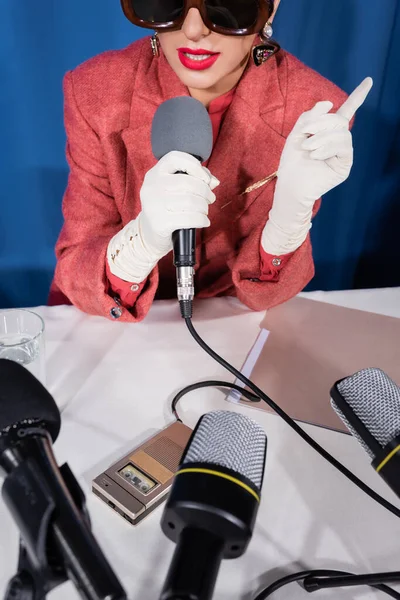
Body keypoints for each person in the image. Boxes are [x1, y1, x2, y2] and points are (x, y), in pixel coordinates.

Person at [49, 0, 372, 322]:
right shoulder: (97, 90)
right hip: (106, 313)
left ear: (270, 8)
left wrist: (288, 223)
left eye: (222, 4)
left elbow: (268, 295)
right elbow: (77, 266)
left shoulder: (313, 107)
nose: (192, 30)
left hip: (228, 318)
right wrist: (140, 245)